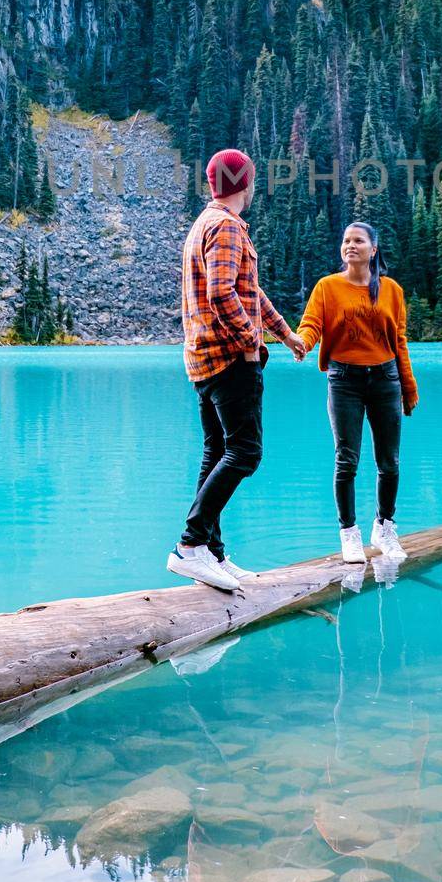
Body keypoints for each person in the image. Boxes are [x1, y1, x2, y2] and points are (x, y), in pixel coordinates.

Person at [168, 148, 306, 593]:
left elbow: (250, 290)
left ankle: (212, 553)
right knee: (245, 452)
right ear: (245, 183)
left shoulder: (202, 225)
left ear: (213, 184)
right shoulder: (226, 226)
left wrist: (284, 334)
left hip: (203, 360)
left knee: (215, 454)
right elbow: (223, 293)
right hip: (230, 359)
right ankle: (190, 546)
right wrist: (252, 341)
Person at [297, 221, 419, 564]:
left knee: (389, 462)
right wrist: (302, 343)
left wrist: (408, 386)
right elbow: (312, 325)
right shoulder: (327, 287)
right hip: (344, 381)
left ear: (373, 249)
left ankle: (384, 527)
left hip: (385, 380)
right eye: (346, 240)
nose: (350, 245)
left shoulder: (391, 290)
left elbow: (399, 341)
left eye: (358, 240)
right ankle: (349, 535)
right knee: (346, 459)